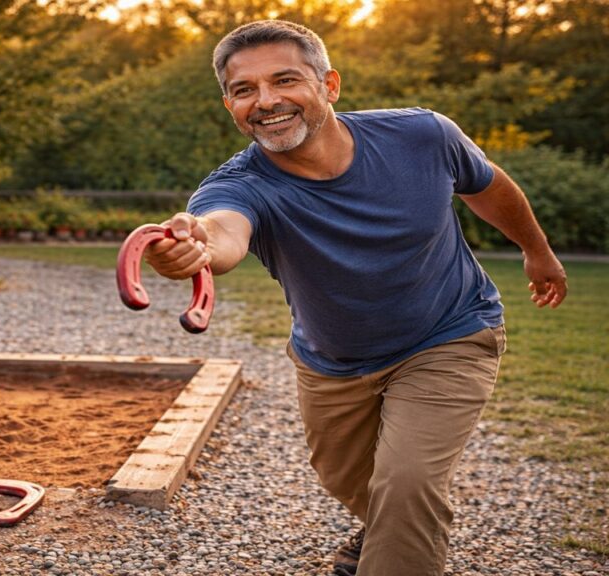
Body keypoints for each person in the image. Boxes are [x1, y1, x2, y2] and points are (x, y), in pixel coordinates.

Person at [144, 19, 568, 576]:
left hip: (449, 333)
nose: (266, 101)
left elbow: (488, 186)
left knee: (408, 481)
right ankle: (390, 530)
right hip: (332, 362)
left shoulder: (422, 136)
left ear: (330, 85)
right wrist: (194, 248)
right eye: (245, 90)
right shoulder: (240, 184)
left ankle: (396, 544)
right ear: (230, 106)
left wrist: (537, 251)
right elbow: (222, 232)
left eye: (285, 80)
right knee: (349, 480)